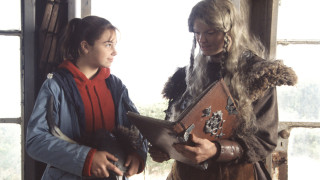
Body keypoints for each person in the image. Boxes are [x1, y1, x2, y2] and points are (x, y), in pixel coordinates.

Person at [149, 0, 297, 179]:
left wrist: (217, 150)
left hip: (237, 175)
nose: (202, 39)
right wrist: (164, 147)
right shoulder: (184, 77)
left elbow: (264, 139)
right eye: (197, 32)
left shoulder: (258, 75)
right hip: (186, 174)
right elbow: (173, 127)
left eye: (210, 32)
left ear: (230, 31)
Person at [26, 16, 148, 180]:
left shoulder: (116, 86)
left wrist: (137, 153)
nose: (115, 52)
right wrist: (86, 159)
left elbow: (137, 128)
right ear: (85, 47)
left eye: (114, 45)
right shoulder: (55, 86)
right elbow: (35, 141)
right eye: (108, 44)